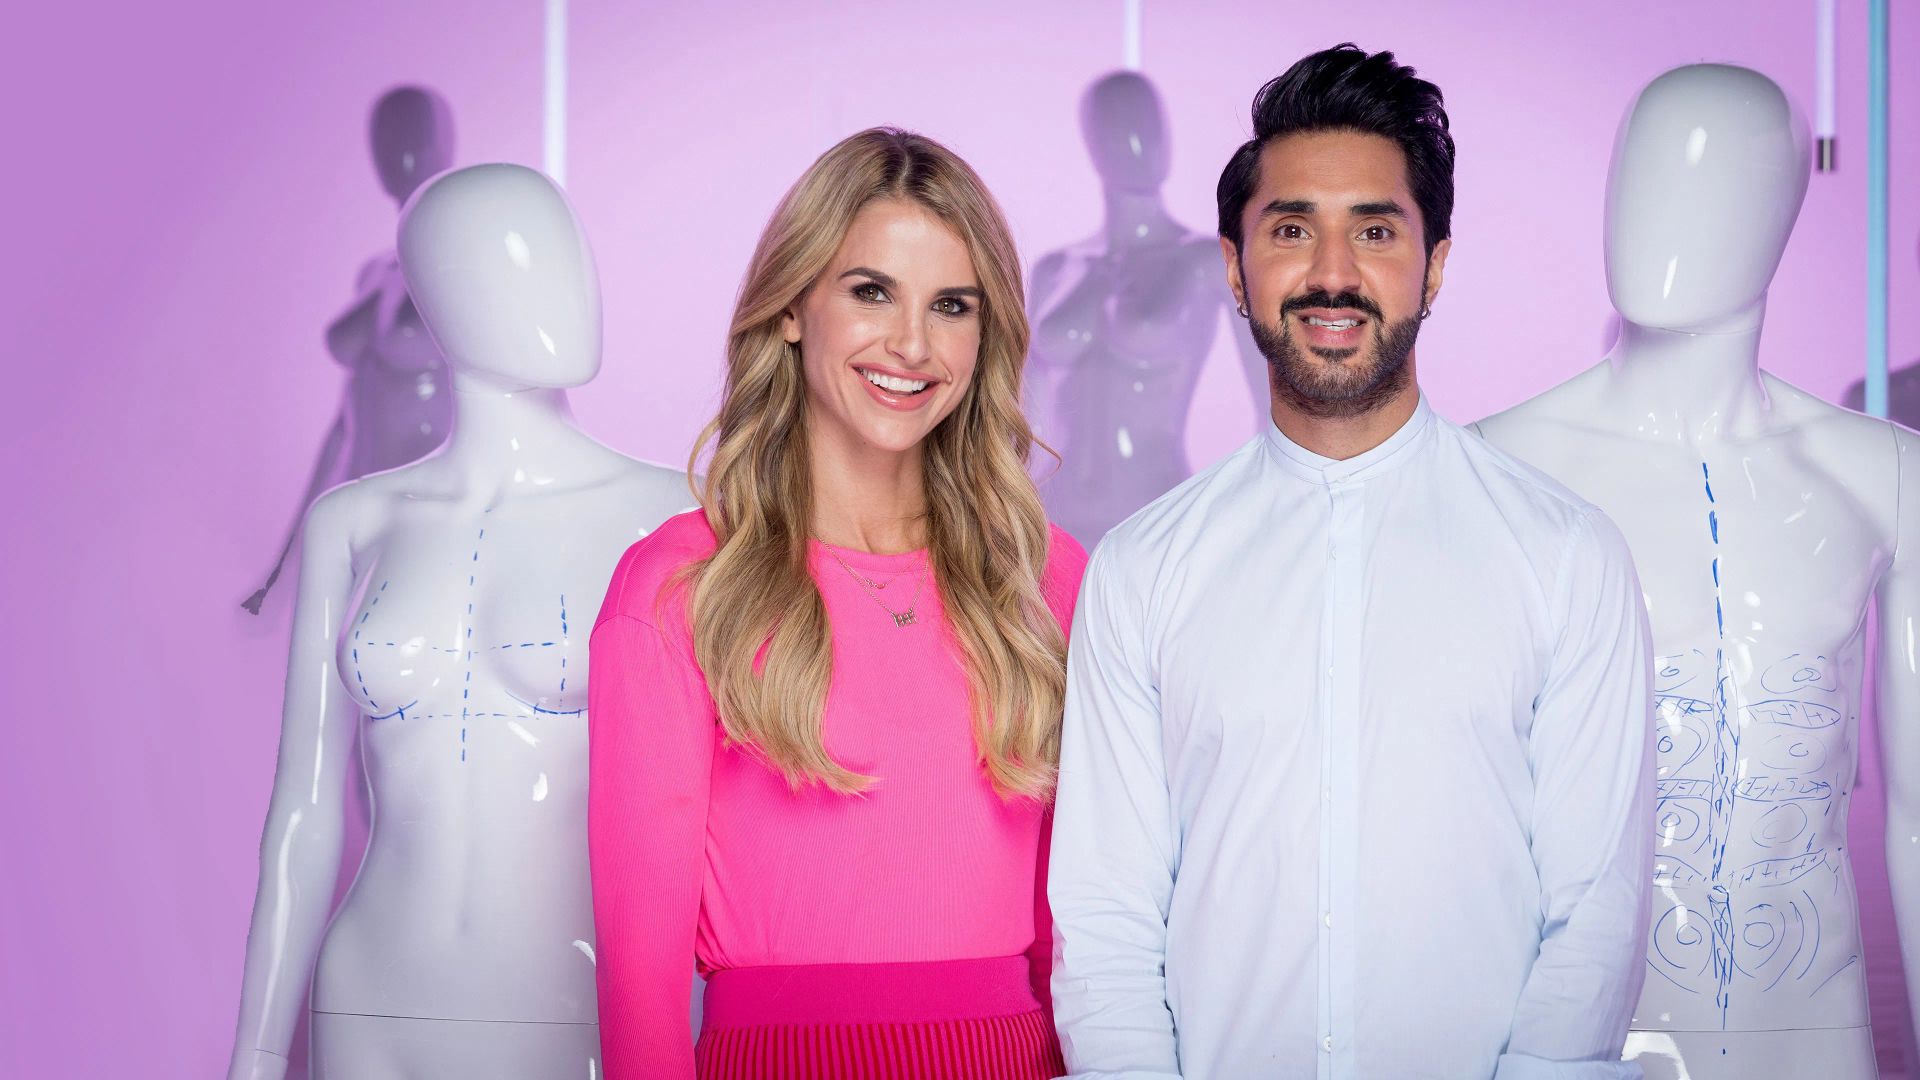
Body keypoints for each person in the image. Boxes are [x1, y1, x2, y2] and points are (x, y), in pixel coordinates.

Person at [1048, 44, 1655, 1078]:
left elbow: (1596, 914)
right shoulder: (1142, 570)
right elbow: (1107, 919)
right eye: (1292, 230)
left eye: (1375, 231)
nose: (1333, 274)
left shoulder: (1564, 555)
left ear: (1436, 265)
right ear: (1235, 268)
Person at [587, 127, 1087, 1079]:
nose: (912, 344)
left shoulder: (1044, 579)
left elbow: (1073, 936)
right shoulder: (682, 585)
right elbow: (639, 983)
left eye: (951, 306)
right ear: (790, 307)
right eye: (871, 292)